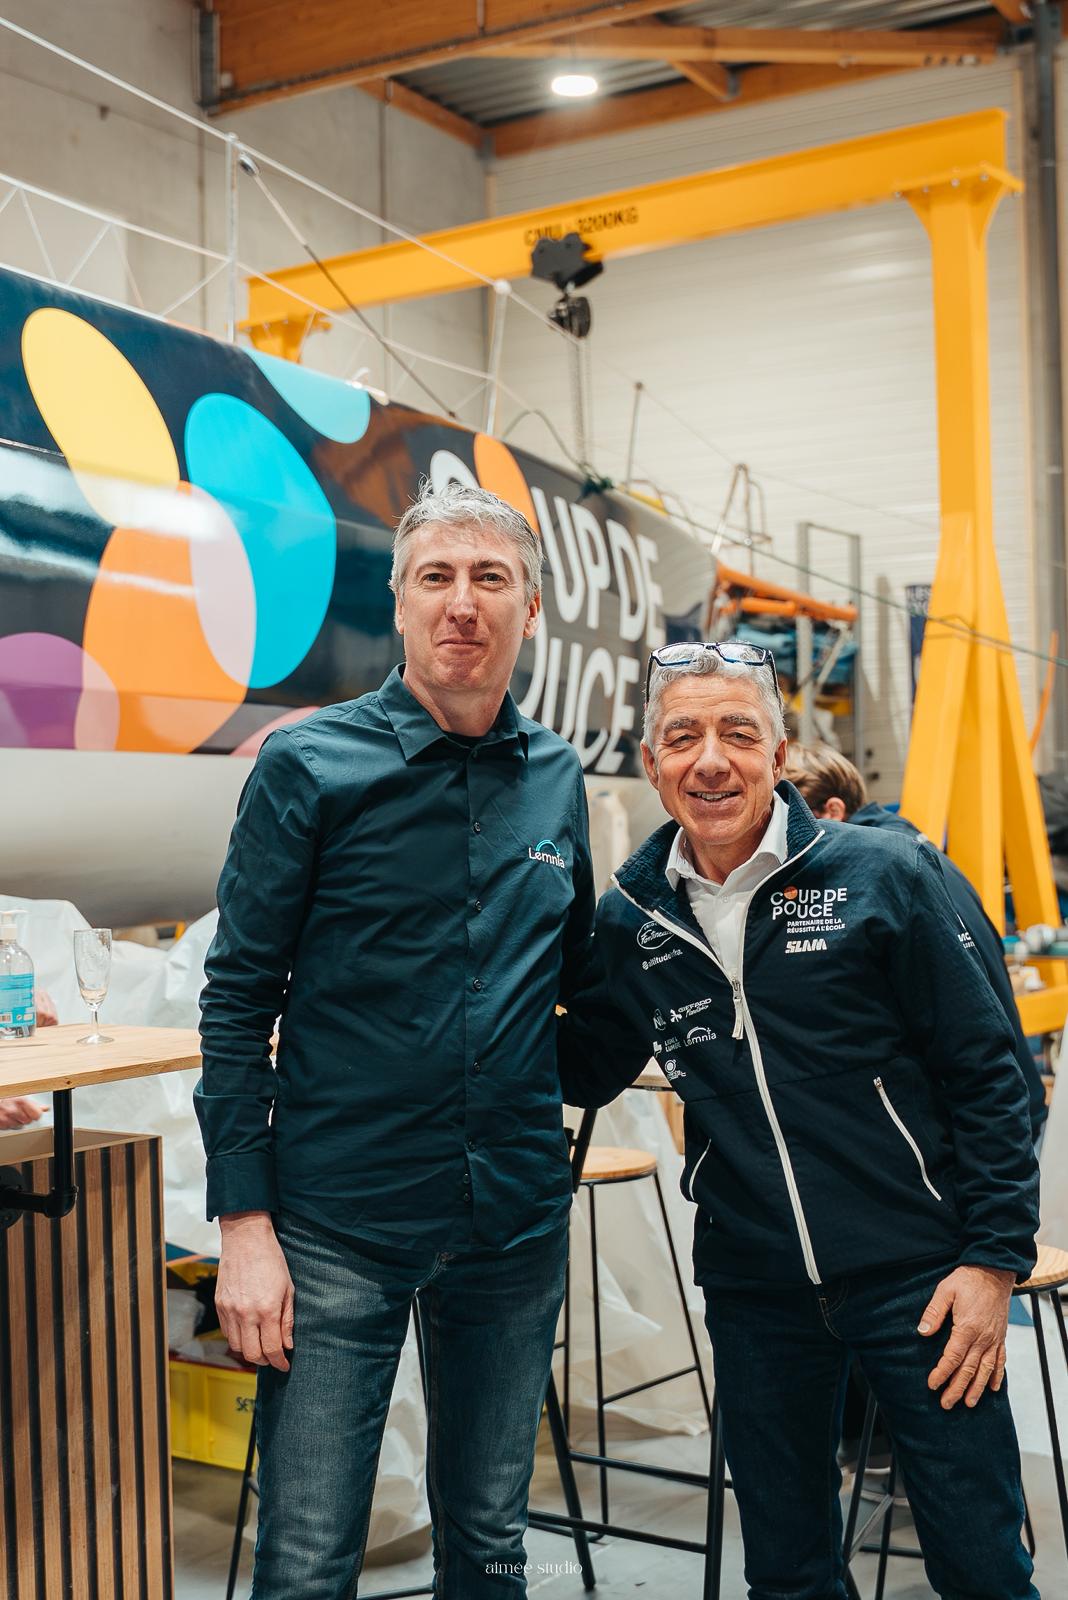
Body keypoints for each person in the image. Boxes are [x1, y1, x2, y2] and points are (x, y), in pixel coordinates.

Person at [558, 641, 1041, 1600]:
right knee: (786, 1574)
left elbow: (991, 1073)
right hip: (756, 1289)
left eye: (738, 734)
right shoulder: (632, 921)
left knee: (982, 1565)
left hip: (921, 1279)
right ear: (651, 765)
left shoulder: (884, 873)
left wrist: (993, 1262)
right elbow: (582, 1065)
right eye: (682, 738)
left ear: (778, 755)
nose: (710, 760)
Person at [195, 483, 594, 1600]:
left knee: (493, 1542)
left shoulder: (556, 778)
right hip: (337, 1228)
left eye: (490, 578)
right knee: (309, 1556)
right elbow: (237, 1000)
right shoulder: (310, 766)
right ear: (400, 601)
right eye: (437, 577)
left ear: (528, 607)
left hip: (512, 1224)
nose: (463, 603)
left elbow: (577, 981)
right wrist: (245, 1226)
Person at [785, 743, 1047, 1143]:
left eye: (789, 821)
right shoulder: (913, 848)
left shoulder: (880, 874)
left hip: (978, 1123)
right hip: (1002, 1107)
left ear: (833, 811)